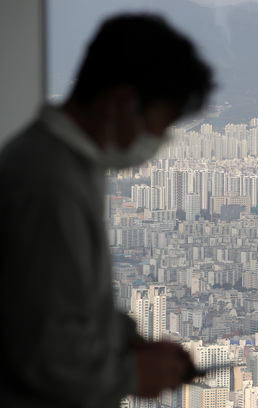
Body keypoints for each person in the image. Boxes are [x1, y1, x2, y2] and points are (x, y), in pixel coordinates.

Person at [0, 14, 215, 407]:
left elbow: (62, 304)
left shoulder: (67, 168)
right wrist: (133, 374)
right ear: (120, 104)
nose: (160, 140)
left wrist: (131, 342)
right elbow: (46, 352)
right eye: (158, 124)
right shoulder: (49, 185)